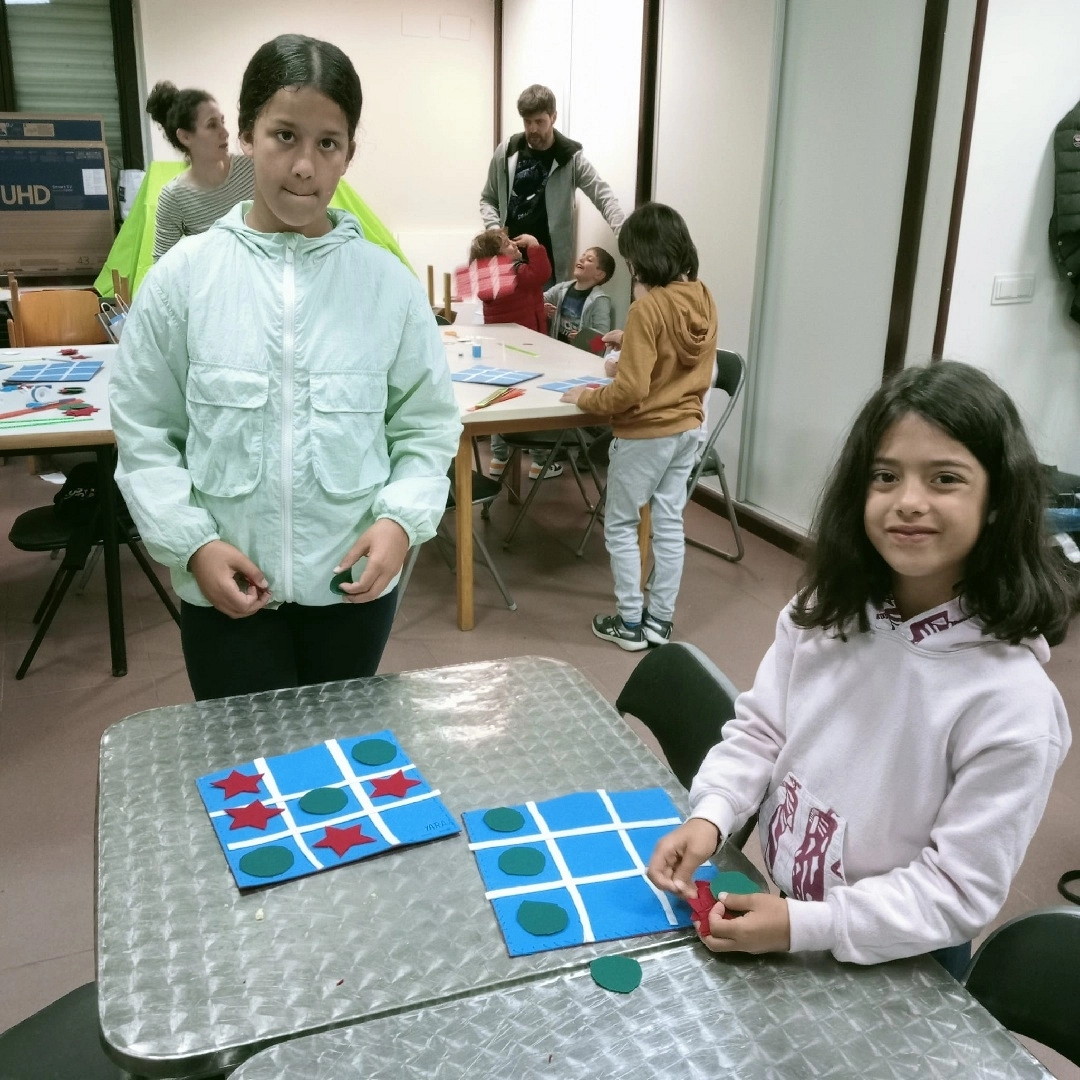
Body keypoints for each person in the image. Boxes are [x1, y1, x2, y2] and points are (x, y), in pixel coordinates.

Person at [647, 362, 1072, 978]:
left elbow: (955, 894)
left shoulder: (1012, 704)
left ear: (999, 503)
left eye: (946, 478)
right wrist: (711, 815)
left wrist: (803, 926)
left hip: (904, 953)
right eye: (885, 476)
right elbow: (763, 731)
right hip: (786, 907)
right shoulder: (824, 612)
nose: (909, 502)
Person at [110, 34, 461, 701]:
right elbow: (143, 428)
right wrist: (192, 544)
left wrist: (398, 522)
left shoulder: (386, 287)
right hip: (226, 588)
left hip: (350, 590)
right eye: (284, 136)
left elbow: (425, 427)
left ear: (349, 154)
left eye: (328, 143)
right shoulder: (184, 279)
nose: (305, 166)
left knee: (343, 761)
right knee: (248, 777)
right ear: (246, 137)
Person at [562, 203, 716, 649]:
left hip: (646, 433)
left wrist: (587, 398)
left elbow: (629, 391)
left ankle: (629, 622)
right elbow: (679, 348)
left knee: (621, 524)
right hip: (687, 430)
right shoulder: (703, 296)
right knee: (668, 523)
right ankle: (659, 622)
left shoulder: (646, 308)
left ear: (644, 256)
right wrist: (631, 343)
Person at [480, 84, 624, 284]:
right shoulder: (507, 151)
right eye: (527, 122)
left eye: (540, 121)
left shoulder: (570, 158)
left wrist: (625, 235)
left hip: (547, 268)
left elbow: (603, 196)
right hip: (506, 262)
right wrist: (495, 232)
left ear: (553, 117)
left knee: (542, 316)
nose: (533, 129)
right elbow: (488, 199)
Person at [145, 81, 256, 260]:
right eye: (212, 125)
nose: (225, 133)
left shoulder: (252, 168)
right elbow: (162, 264)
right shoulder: (175, 196)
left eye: (222, 122)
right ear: (185, 136)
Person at [467, 228, 550, 333]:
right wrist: (533, 243)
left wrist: (538, 308)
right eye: (507, 244)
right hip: (525, 337)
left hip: (501, 336)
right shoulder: (515, 273)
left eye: (510, 240)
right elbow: (541, 273)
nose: (514, 243)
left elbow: (513, 303)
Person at [544, 246, 616, 351]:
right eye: (583, 256)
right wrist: (542, 308)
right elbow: (540, 299)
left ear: (599, 274)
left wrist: (583, 339)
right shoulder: (562, 288)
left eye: (589, 259)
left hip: (580, 356)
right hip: (556, 349)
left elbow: (602, 338)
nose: (581, 259)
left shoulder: (600, 300)